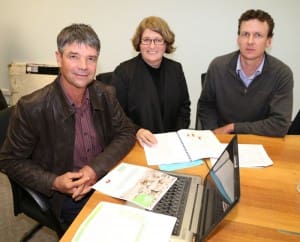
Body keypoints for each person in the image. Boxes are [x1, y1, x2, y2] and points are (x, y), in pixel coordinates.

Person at [0, 23, 136, 230]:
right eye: (74, 56)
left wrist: (94, 169)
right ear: (58, 58)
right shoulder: (32, 107)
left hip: (105, 176)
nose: (84, 66)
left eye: (91, 58)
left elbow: (126, 132)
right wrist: (54, 182)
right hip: (68, 195)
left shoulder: (105, 94)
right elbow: (9, 160)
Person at [198, 9, 293, 137]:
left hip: (261, 140)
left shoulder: (282, 74)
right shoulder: (218, 66)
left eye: (258, 35)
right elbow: (206, 105)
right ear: (238, 38)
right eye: (245, 34)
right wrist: (214, 132)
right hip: (222, 138)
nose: (250, 41)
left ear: (269, 41)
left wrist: (234, 128)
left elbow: (280, 124)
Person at [111, 16, 191, 146]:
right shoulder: (123, 72)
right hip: (136, 143)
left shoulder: (176, 69)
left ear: (166, 43)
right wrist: (137, 131)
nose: (152, 46)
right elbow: (116, 114)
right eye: (146, 40)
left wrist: (176, 135)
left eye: (158, 40)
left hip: (172, 143)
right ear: (139, 43)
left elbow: (184, 107)